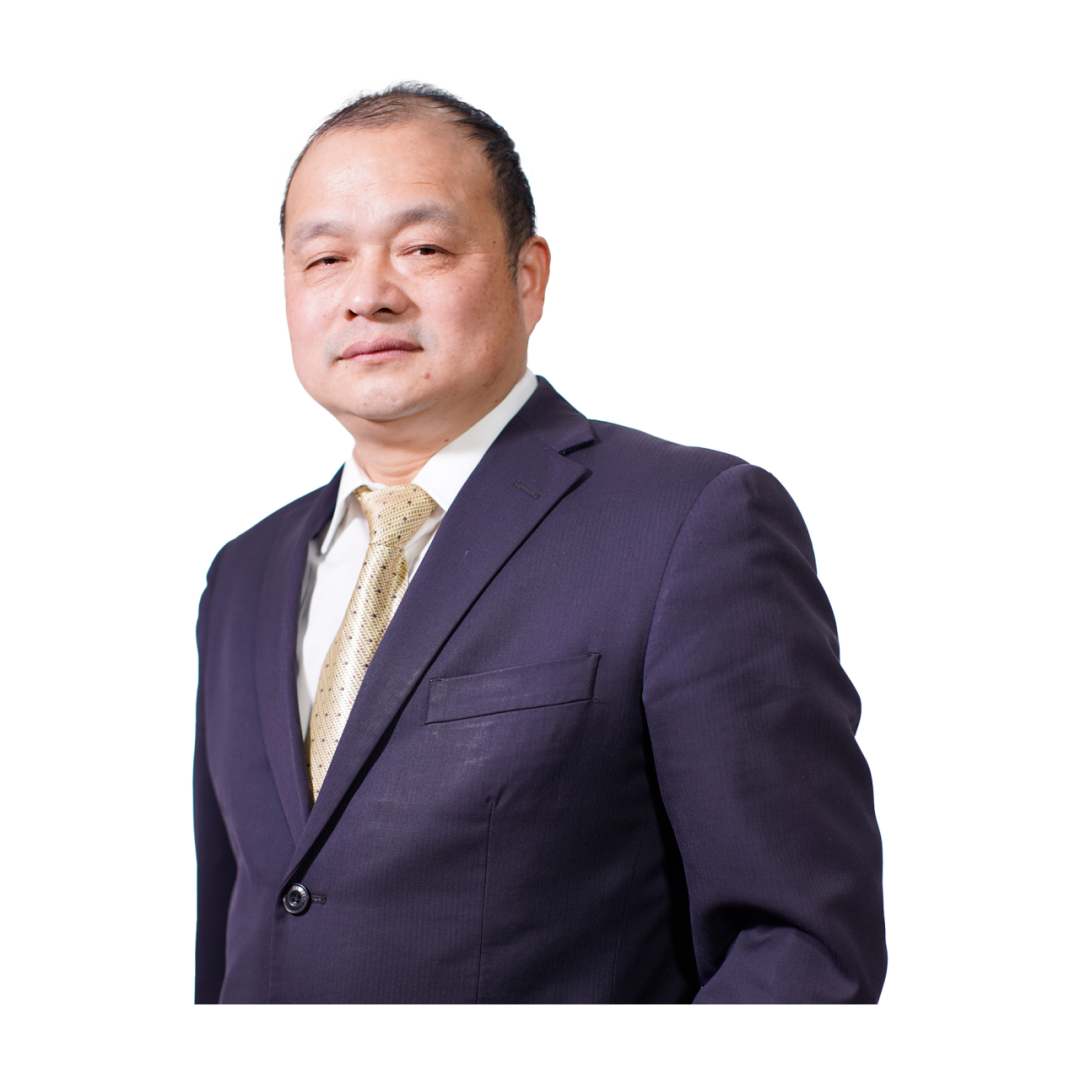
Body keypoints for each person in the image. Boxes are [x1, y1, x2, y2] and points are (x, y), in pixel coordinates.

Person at [193, 79, 886, 1005]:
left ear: (529, 276)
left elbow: (798, 947)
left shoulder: (693, 524)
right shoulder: (243, 574)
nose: (368, 296)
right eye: (325, 259)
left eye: (423, 248)